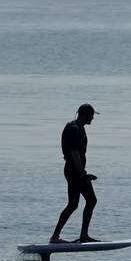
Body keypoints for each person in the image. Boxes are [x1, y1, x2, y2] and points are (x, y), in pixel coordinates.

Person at [50, 103, 100, 243]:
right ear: (84, 114)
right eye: (91, 115)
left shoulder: (80, 128)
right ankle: (55, 237)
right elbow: (74, 153)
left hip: (76, 171)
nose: (92, 118)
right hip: (74, 171)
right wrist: (83, 174)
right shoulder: (73, 128)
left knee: (87, 201)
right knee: (77, 203)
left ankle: (82, 235)